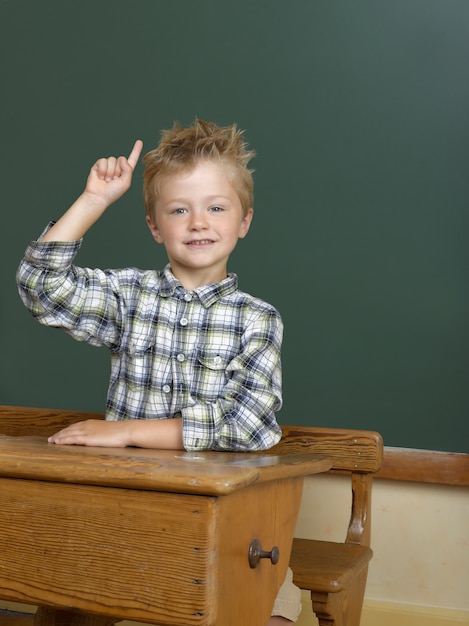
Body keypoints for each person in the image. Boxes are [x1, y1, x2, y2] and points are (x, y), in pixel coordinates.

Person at [16, 118, 302, 625]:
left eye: (216, 208)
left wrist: (124, 432)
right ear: (154, 226)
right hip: (125, 509)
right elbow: (42, 286)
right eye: (178, 210)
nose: (198, 223)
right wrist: (94, 201)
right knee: (62, 599)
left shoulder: (257, 320)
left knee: (268, 613)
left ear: (244, 222)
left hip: (229, 522)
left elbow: (250, 425)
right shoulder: (128, 297)